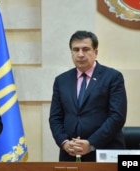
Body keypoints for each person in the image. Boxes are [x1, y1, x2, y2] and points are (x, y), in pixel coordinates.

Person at [49, 30, 127, 161]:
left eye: (85, 49)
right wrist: (64, 143)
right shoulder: (61, 80)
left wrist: (91, 144)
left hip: (105, 153)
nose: (80, 54)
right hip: (70, 154)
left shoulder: (112, 77)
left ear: (96, 52)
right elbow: (55, 118)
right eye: (76, 50)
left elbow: (117, 117)